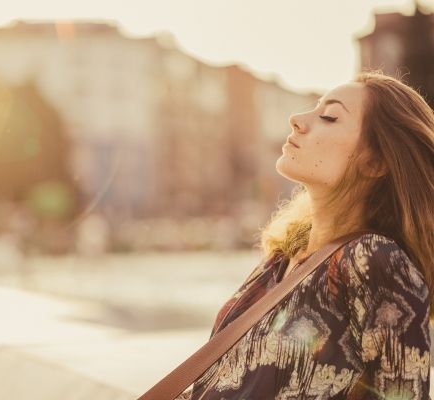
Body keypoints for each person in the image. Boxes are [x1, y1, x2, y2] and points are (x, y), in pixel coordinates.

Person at [179, 71, 434, 399]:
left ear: (374, 162)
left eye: (329, 117)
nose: (297, 119)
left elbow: (404, 393)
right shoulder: (283, 258)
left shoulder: (373, 259)